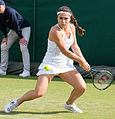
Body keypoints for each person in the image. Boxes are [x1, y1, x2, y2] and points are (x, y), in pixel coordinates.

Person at [4, 6, 90, 113]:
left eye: (66, 18)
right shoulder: (55, 31)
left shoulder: (71, 28)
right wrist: (80, 61)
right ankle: (17, 102)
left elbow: (74, 46)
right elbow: (64, 51)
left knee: (81, 87)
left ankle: (69, 104)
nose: (63, 21)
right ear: (57, 18)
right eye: (60, 18)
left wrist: (83, 60)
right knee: (39, 93)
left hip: (65, 63)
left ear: (70, 18)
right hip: (50, 63)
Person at [0, 0, 31, 77]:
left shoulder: (10, 12)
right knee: (4, 46)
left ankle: (27, 71)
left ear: (4, 6)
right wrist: (5, 36)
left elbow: (16, 25)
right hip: (14, 30)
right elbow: (1, 26)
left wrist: (21, 37)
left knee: (23, 47)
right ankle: (3, 70)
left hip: (24, 28)